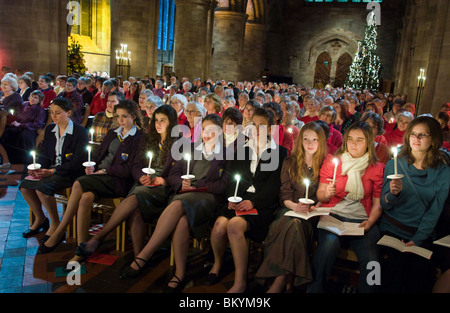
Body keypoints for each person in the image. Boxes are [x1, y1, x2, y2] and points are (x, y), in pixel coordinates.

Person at [119, 114, 231, 294]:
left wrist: (196, 185)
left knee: (178, 204)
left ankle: (143, 257)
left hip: (207, 198)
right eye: (204, 130)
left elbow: (223, 185)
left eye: (211, 131)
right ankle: (179, 273)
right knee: (181, 222)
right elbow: (174, 174)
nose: (207, 134)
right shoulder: (192, 148)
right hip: (186, 195)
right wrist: (181, 183)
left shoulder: (226, 154)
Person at [68, 105, 179, 260]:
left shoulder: (179, 143)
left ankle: (98, 238)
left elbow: (179, 172)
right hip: (144, 182)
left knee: (135, 196)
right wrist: (141, 176)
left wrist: (163, 180)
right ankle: (139, 257)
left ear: (172, 122)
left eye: (163, 120)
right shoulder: (150, 139)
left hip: (161, 189)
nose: (158, 124)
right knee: (135, 210)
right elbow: (136, 165)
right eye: (156, 120)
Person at [38, 99, 145, 254]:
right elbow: (98, 154)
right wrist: (91, 165)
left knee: (78, 183)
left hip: (117, 181)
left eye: (124, 116)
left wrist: (105, 171)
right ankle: (81, 245)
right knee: (86, 197)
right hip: (99, 177)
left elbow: (129, 168)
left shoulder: (139, 137)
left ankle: (60, 231)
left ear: (134, 116)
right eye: (118, 116)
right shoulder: (113, 132)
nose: (120, 120)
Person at [208, 107, 287, 293]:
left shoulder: (280, 153)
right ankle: (218, 264)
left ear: (270, 129)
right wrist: (231, 198)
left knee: (234, 225)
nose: (257, 130)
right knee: (219, 226)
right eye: (254, 125)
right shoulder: (243, 149)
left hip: (262, 204)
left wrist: (254, 202)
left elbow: (274, 186)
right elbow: (232, 176)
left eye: (262, 126)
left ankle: (240, 281)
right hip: (240, 197)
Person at [307, 121, 385, 293]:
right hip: (333, 216)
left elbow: (377, 203)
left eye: (360, 140)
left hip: (362, 220)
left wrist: (370, 222)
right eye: (350, 139)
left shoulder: (376, 169)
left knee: (373, 260)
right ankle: (315, 289)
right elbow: (320, 195)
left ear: (369, 143)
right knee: (326, 249)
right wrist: (326, 193)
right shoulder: (333, 162)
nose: (353, 144)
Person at [379, 116, 450, 293]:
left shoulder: (443, 173)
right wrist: (393, 195)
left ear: (433, 139)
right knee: (391, 269)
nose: (416, 139)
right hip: (391, 229)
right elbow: (384, 204)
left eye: (422, 135)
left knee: (418, 274)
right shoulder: (394, 164)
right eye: (413, 134)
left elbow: (434, 211)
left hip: (421, 233)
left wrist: (416, 240)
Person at [255, 121, 328, 293]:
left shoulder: (326, 163)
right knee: (291, 224)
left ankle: (278, 282)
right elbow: (285, 195)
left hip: (312, 215)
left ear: (321, 142)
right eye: (306, 139)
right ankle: (288, 281)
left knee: (295, 226)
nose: (310, 144)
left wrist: (315, 207)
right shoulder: (290, 162)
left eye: (314, 140)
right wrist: (295, 207)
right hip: (289, 209)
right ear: (300, 141)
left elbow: (325, 196)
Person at [19, 97, 88, 240]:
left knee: (42, 188)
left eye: (57, 112)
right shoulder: (50, 129)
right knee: (25, 186)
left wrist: (53, 171)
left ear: (68, 113)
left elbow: (78, 162)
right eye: (51, 112)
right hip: (51, 169)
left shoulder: (79, 132)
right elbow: (45, 154)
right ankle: (40, 218)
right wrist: (37, 167)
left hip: (69, 172)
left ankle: (55, 223)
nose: (53, 116)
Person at [1, 90, 46, 164]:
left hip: (30, 129)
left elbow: (37, 124)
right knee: (7, 133)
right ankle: (9, 159)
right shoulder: (24, 105)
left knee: (23, 135)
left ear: (39, 100)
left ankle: (25, 160)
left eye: (36, 98)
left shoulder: (40, 110)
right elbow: (18, 117)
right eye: (32, 96)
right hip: (19, 127)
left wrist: (21, 125)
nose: (33, 99)